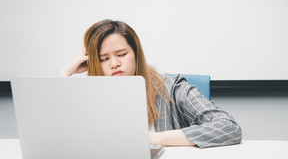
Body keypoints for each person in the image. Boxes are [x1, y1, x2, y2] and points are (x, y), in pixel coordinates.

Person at [61, 19, 242, 148]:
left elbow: (228, 127)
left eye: (122, 54)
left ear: (136, 54)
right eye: (103, 58)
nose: (114, 63)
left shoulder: (172, 87)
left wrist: (152, 138)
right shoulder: (90, 95)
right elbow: (59, 138)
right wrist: (65, 74)